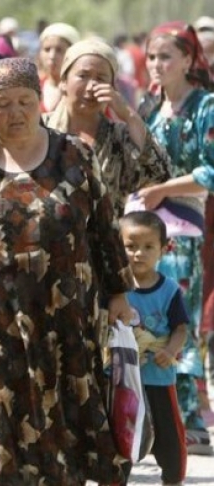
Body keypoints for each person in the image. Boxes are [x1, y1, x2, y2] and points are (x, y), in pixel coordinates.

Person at [0, 57, 134, 485]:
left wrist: (118, 295)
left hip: (68, 327)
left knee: (67, 441)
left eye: (24, 101)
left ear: (40, 101)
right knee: (2, 447)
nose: (14, 113)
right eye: (2, 104)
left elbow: (107, 231)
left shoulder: (74, 154)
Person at [137, 21, 214, 456]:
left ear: (188, 59)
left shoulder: (206, 106)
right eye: (152, 56)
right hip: (147, 231)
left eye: (166, 56)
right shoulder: (150, 106)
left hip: (183, 231)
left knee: (178, 318)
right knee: (148, 321)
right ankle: (153, 421)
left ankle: (188, 419)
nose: (158, 64)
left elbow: (210, 171)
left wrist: (166, 189)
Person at [44, 39, 170, 217]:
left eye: (101, 79)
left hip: (105, 242)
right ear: (64, 82)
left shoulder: (119, 136)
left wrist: (129, 115)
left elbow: (159, 175)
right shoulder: (40, 130)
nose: (91, 86)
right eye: (83, 75)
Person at [120, 211, 189, 485]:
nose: (139, 253)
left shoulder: (169, 290)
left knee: (170, 438)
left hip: (159, 379)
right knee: (120, 438)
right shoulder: (115, 291)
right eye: (131, 246)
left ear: (163, 249)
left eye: (148, 247)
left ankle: (172, 480)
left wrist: (170, 351)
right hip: (123, 383)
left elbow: (181, 329)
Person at [37, 22, 80, 112]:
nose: (52, 56)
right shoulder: (34, 87)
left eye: (59, 50)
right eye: (47, 49)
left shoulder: (82, 90)